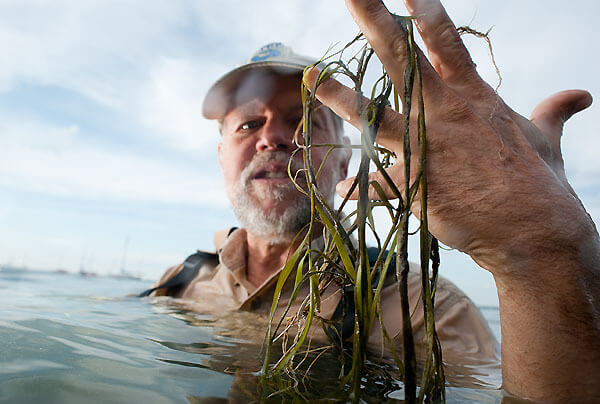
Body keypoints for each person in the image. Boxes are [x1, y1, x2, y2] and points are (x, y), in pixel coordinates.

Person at [148, 0, 600, 402]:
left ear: (344, 161)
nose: (273, 139)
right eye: (248, 125)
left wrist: (538, 260)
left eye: (304, 121)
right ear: (221, 156)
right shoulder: (182, 280)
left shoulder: (421, 305)